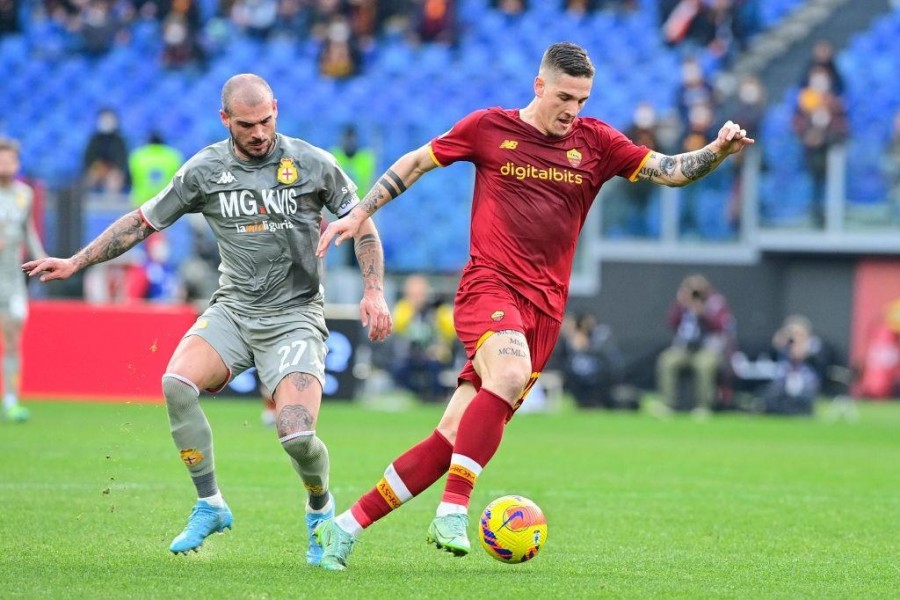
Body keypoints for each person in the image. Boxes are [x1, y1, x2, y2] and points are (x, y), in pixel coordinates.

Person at [312, 42, 753, 570]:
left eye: (583, 98)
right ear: (539, 86)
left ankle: (344, 528)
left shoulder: (597, 143)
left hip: (544, 311)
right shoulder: (488, 128)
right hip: (488, 287)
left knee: (451, 436)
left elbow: (670, 169)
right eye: (565, 96)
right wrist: (359, 214)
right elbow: (417, 162)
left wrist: (719, 151)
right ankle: (453, 510)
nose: (574, 109)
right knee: (510, 371)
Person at [23, 74, 393, 562]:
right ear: (226, 120)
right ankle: (210, 503)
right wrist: (76, 262)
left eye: (266, 120)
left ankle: (320, 509)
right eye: (247, 124)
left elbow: (361, 223)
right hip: (234, 310)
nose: (259, 132)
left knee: (298, 436)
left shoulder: (311, 163)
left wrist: (374, 291)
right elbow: (141, 221)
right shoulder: (205, 170)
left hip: (296, 315)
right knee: (176, 382)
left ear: (276, 110)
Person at [0, 138, 47, 422]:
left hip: (12, 279)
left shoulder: (24, 195)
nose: (5, 165)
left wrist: (41, 259)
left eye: (9, 160)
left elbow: (28, 230)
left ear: (17, 164)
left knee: (13, 337)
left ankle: (11, 399)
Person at [655, 273, 735, 416]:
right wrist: (680, 304)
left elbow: (721, 326)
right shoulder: (684, 304)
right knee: (667, 360)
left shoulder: (715, 303)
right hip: (686, 348)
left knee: (703, 365)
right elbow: (671, 323)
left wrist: (703, 313)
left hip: (709, 349)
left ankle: (703, 406)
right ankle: (668, 404)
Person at [389, 273, 457, 402]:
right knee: (398, 368)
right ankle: (412, 395)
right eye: (413, 293)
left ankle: (435, 398)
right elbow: (397, 328)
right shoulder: (403, 308)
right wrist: (412, 310)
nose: (417, 297)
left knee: (434, 368)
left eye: (420, 293)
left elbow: (452, 331)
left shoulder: (438, 309)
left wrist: (440, 348)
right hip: (410, 354)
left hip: (436, 355)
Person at [129, 131, 184, 208]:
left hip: (142, 201)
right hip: (166, 200)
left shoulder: (137, 155)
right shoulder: (173, 155)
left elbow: (132, 176)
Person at [83, 107, 130, 194]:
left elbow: (122, 162)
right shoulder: (94, 140)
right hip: (98, 169)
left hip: (113, 171)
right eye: (104, 119)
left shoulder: (119, 141)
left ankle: (112, 203)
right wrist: (98, 169)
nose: (106, 122)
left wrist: (113, 171)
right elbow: (88, 160)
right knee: (91, 177)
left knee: (114, 179)